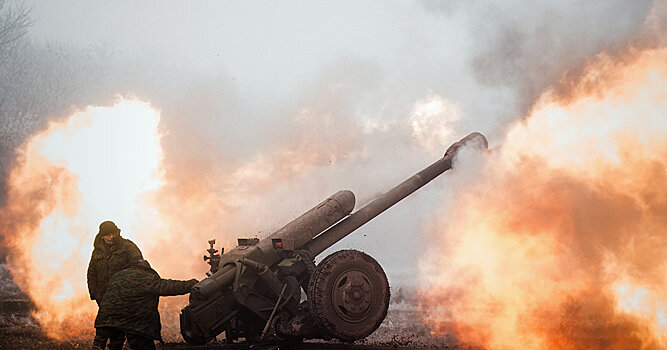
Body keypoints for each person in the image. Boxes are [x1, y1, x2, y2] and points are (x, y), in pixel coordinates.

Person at [94, 259, 198, 350]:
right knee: (143, 345)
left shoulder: (117, 276)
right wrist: (191, 284)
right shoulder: (146, 278)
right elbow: (169, 287)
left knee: (101, 344)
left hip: (106, 319)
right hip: (134, 322)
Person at [87, 220, 143, 350]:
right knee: (104, 328)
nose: (111, 237)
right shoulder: (98, 251)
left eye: (113, 233)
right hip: (104, 297)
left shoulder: (128, 247)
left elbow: (139, 267)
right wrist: (95, 293)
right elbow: (91, 273)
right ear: (102, 235)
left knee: (120, 329)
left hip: (123, 297)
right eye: (108, 234)